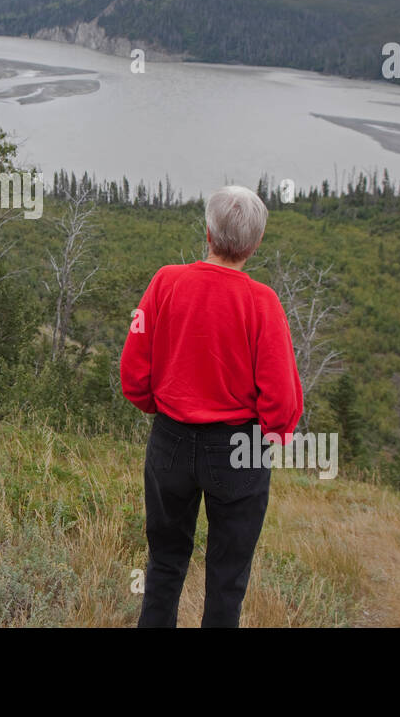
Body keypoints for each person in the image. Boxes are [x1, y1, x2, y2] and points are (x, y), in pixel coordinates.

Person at [121, 184, 303, 627]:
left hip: (170, 441)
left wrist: (161, 410)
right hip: (241, 448)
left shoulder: (166, 282)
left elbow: (133, 372)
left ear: (208, 233)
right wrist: (269, 437)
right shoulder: (263, 303)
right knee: (227, 576)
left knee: (164, 562)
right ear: (255, 245)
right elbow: (282, 401)